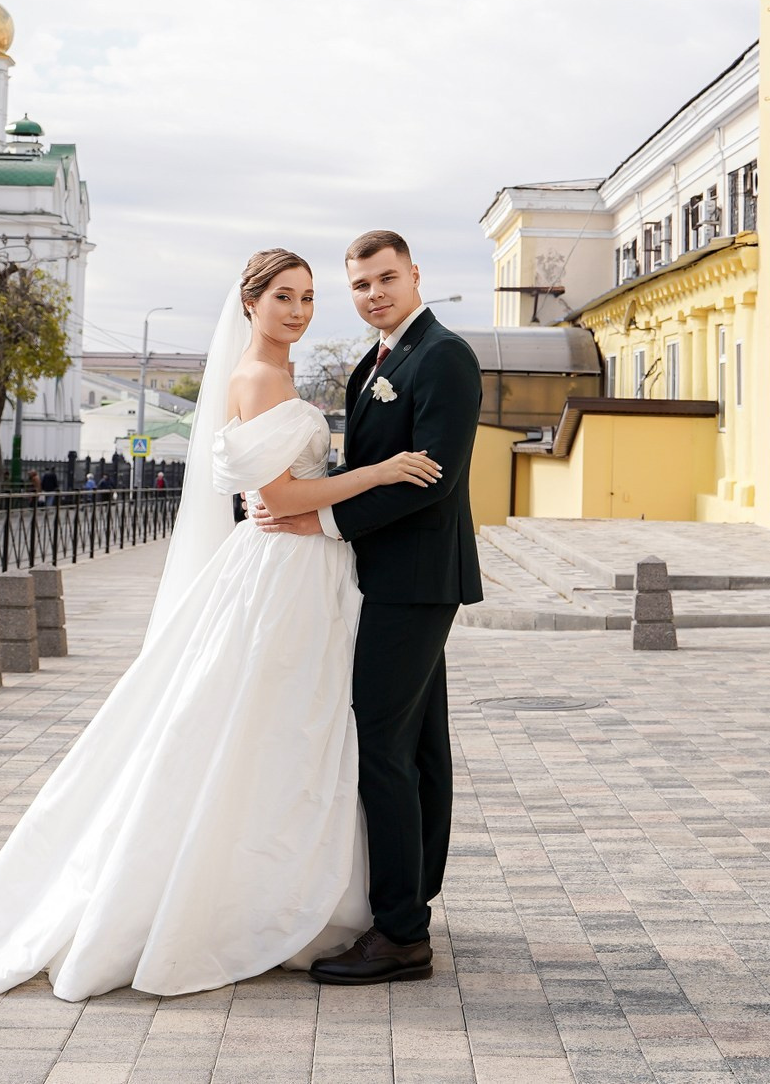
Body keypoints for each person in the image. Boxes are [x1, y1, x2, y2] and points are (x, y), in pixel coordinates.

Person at [0, 247, 441, 1000]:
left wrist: (324, 498)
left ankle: (288, 889)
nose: (298, 311)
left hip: (309, 571)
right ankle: (230, 897)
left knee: (298, 728)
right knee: (263, 724)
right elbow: (283, 494)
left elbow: (291, 494)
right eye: (283, 297)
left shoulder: (285, 373)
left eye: (308, 297)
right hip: (280, 573)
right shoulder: (257, 377)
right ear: (250, 303)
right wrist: (384, 470)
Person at [253, 231, 482, 985]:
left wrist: (319, 521)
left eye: (386, 278)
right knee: (416, 747)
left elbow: (434, 478)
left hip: (416, 578)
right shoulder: (376, 361)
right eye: (360, 284)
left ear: (416, 275)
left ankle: (399, 933)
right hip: (383, 575)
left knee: (380, 744)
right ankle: (412, 900)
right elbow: (363, 467)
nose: (373, 293)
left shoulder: (444, 355)